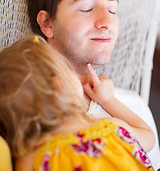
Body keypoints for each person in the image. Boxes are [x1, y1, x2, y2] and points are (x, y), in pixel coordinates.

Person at [26, 0, 160, 168]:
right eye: (87, 8)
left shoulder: (133, 106)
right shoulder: (21, 105)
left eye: (112, 10)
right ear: (46, 22)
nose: (107, 22)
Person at [0, 35, 154, 171]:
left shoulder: (29, 160)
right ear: (58, 85)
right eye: (67, 68)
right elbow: (148, 137)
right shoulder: (109, 130)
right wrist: (108, 100)